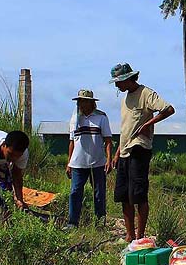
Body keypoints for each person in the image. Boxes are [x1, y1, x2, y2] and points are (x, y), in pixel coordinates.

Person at [109, 62, 174, 241]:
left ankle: (140, 236)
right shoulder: (125, 99)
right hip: (124, 151)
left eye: (119, 82)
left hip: (139, 148)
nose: (117, 85)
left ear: (128, 79)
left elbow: (168, 109)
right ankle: (129, 236)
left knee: (138, 195)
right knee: (124, 196)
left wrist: (148, 124)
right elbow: (125, 129)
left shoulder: (146, 93)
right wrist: (117, 152)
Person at [66, 89, 112, 230]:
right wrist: (69, 162)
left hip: (97, 163)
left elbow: (108, 140)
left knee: (99, 194)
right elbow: (72, 141)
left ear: (91, 102)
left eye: (84, 101)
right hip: (78, 163)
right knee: (75, 192)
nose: (80, 103)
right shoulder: (75, 119)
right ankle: (72, 223)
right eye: (79, 101)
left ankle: (99, 224)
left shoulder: (101, 117)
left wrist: (109, 159)